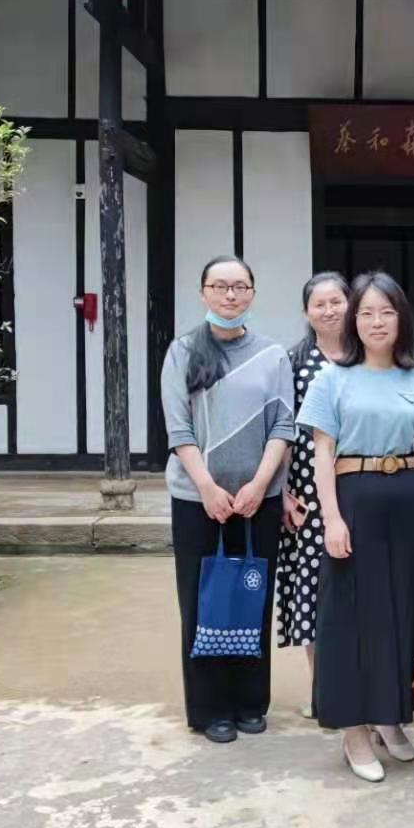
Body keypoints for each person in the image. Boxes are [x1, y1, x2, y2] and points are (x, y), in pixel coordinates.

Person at [296, 271, 414, 783]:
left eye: (387, 312)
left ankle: (390, 716)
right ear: (353, 321)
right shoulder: (332, 379)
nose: (376, 322)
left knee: (402, 613)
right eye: (366, 313)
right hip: (354, 501)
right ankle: (354, 731)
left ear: (401, 319)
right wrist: (331, 518)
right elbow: (322, 454)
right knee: (351, 618)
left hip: (409, 503)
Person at [160, 255, 295, 745]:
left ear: (252, 293)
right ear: (203, 293)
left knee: (252, 598)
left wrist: (260, 484)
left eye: (239, 286)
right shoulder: (182, 351)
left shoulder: (272, 354)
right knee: (203, 601)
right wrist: (207, 487)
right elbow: (178, 428)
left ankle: (250, 701)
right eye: (219, 286)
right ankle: (210, 708)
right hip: (198, 499)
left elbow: (283, 425)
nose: (230, 295)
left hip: (259, 499)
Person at [277, 272, 350, 717]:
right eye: (319, 304)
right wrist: (284, 491)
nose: (329, 310)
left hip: (357, 484)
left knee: (353, 587)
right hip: (307, 490)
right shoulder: (293, 362)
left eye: (336, 301)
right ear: (306, 312)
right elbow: (282, 429)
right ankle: (320, 686)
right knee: (312, 587)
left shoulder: (367, 355)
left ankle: (357, 686)